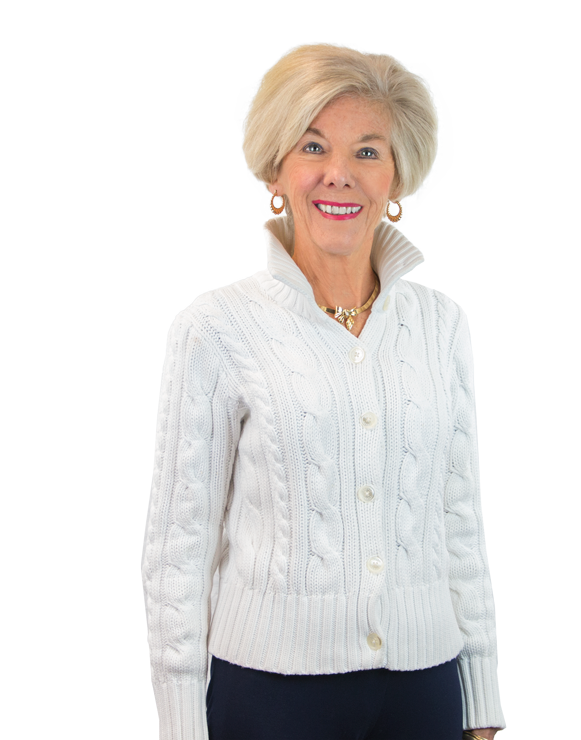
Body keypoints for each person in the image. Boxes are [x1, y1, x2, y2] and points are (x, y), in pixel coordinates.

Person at [143, 43, 504, 740]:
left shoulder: (440, 324)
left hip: (425, 689)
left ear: (397, 178)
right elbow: (180, 549)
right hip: (271, 698)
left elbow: (458, 520)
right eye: (313, 146)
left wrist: (483, 700)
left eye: (368, 151)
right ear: (276, 170)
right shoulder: (216, 329)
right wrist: (181, 722)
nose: (340, 172)